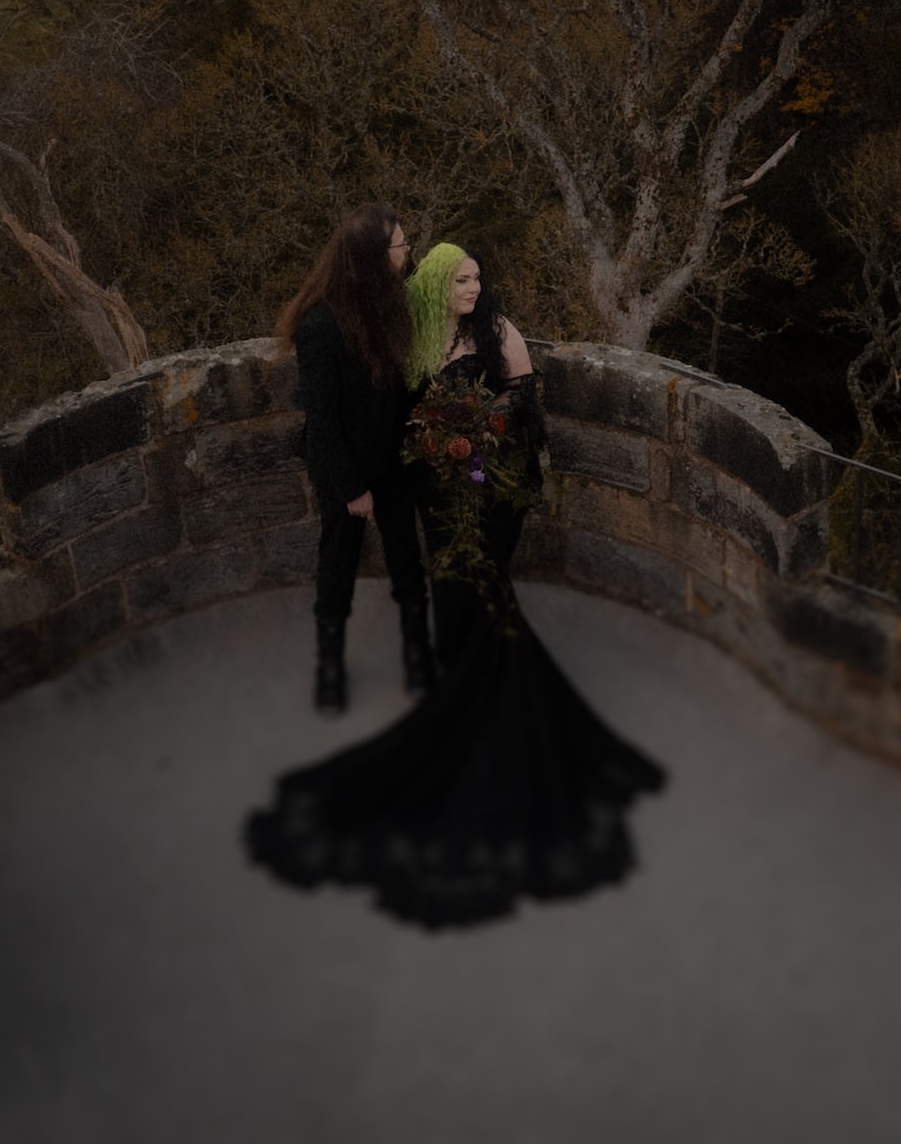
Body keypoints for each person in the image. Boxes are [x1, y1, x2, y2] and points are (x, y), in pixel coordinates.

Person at [245, 243, 668, 930]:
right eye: (461, 277)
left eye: (477, 275)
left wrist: (479, 430)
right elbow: (389, 405)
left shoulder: (497, 332)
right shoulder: (414, 336)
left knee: (481, 581)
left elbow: (525, 401)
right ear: (436, 283)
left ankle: (492, 702)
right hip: (434, 491)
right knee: (452, 590)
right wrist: (414, 448)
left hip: (494, 487)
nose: (474, 285)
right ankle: (459, 686)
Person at [278, 204, 434, 715]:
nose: (407, 255)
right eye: (401, 247)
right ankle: (329, 664)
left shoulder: (391, 306)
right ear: (372, 257)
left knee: (406, 556)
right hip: (343, 467)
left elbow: (405, 388)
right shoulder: (320, 326)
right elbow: (322, 420)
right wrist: (351, 488)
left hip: (393, 459)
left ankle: (416, 653)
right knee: (338, 561)